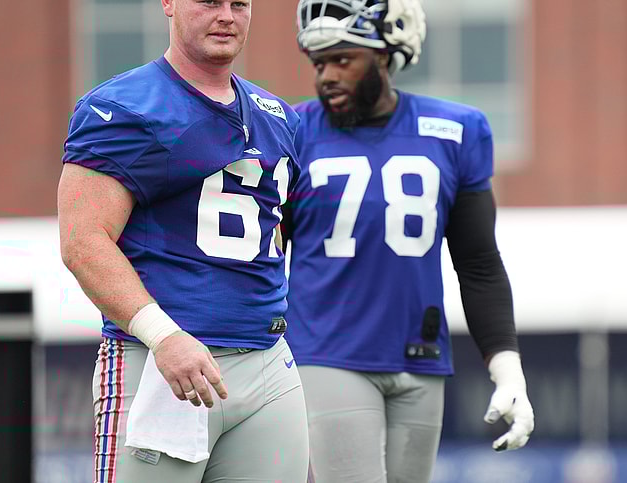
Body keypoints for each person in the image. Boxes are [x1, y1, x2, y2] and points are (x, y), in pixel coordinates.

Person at [282, 1, 535, 481]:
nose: (327, 75)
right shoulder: (292, 132)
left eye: (342, 59)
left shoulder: (457, 131)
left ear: (385, 54)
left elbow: (478, 261)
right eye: (319, 63)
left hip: (419, 355)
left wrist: (507, 365)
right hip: (328, 352)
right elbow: (267, 254)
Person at [57, 1, 308, 482]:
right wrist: (162, 334)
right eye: (210, 1)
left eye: (239, 3)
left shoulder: (277, 116)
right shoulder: (123, 106)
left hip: (266, 360)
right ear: (169, 3)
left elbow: (277, 234)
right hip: (161, 362)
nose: (227, 16)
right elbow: (83, 241)